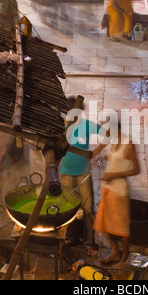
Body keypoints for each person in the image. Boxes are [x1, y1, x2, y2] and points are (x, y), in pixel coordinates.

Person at [58, 97, 107, 257]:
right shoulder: (60, 127)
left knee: (87, 210)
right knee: (69, 209)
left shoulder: (86, 125)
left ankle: (89, 242)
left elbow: (106, 134)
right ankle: (71, 238)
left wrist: (94, 153)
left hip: (83, 174)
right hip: (65, 173)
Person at [93, 123, 141, 269]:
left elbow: (136, 169)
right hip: (107, 187)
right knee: (107, 222)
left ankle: (124, 256)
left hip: (119, 190)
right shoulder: (112, 141)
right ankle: (115, 252)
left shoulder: (128, 144)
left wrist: (115, 174)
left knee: (122, 225)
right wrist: (102, 156)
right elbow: (107, 156)